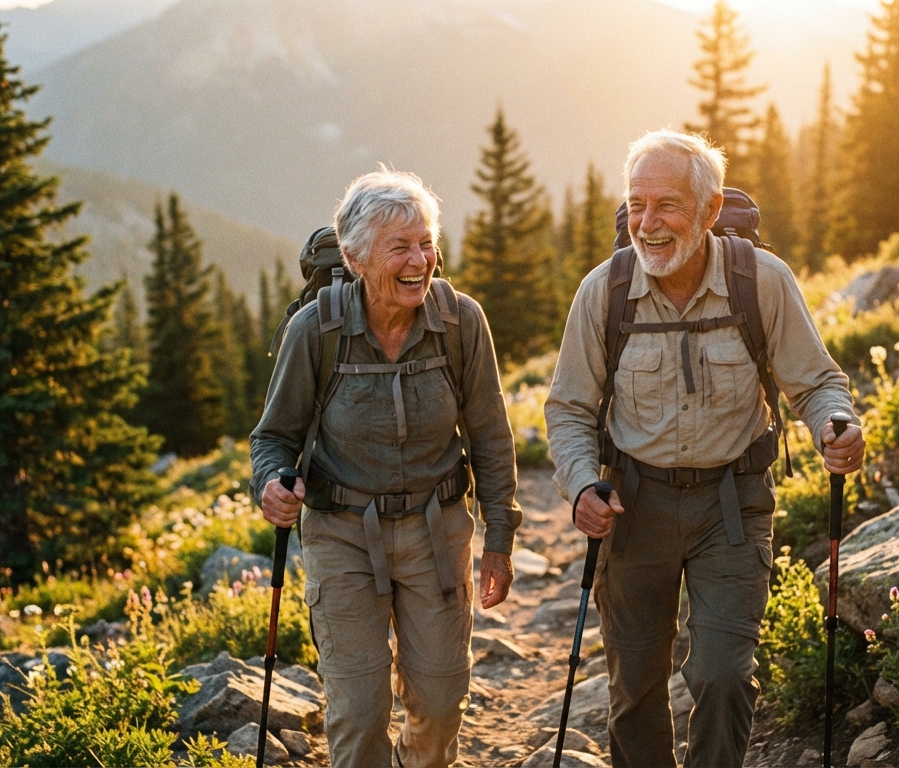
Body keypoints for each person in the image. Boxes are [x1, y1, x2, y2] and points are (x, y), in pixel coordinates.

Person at [545, 130, 865, 767]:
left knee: (722, 675)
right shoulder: (603, 293)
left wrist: (836, 425)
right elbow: (570, 409)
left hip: (733, 506)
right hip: (633, 506)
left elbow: (818, 382)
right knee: (634, 688)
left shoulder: (761, 281)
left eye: (668, 205)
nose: (648, 223)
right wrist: (582, 485)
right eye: (637, 205)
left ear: (711, 210)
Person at [251, 169, 521, 768]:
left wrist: (499, 539)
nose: (419, 260)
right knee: (358, 708)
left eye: (426, 243)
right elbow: (273, 438)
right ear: (354, 257)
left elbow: (490, 438)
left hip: (436, 530)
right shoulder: (316, 331)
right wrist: (271, 485)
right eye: (399, 247)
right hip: (342, 533)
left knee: (442, 699)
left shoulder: (460, 322)